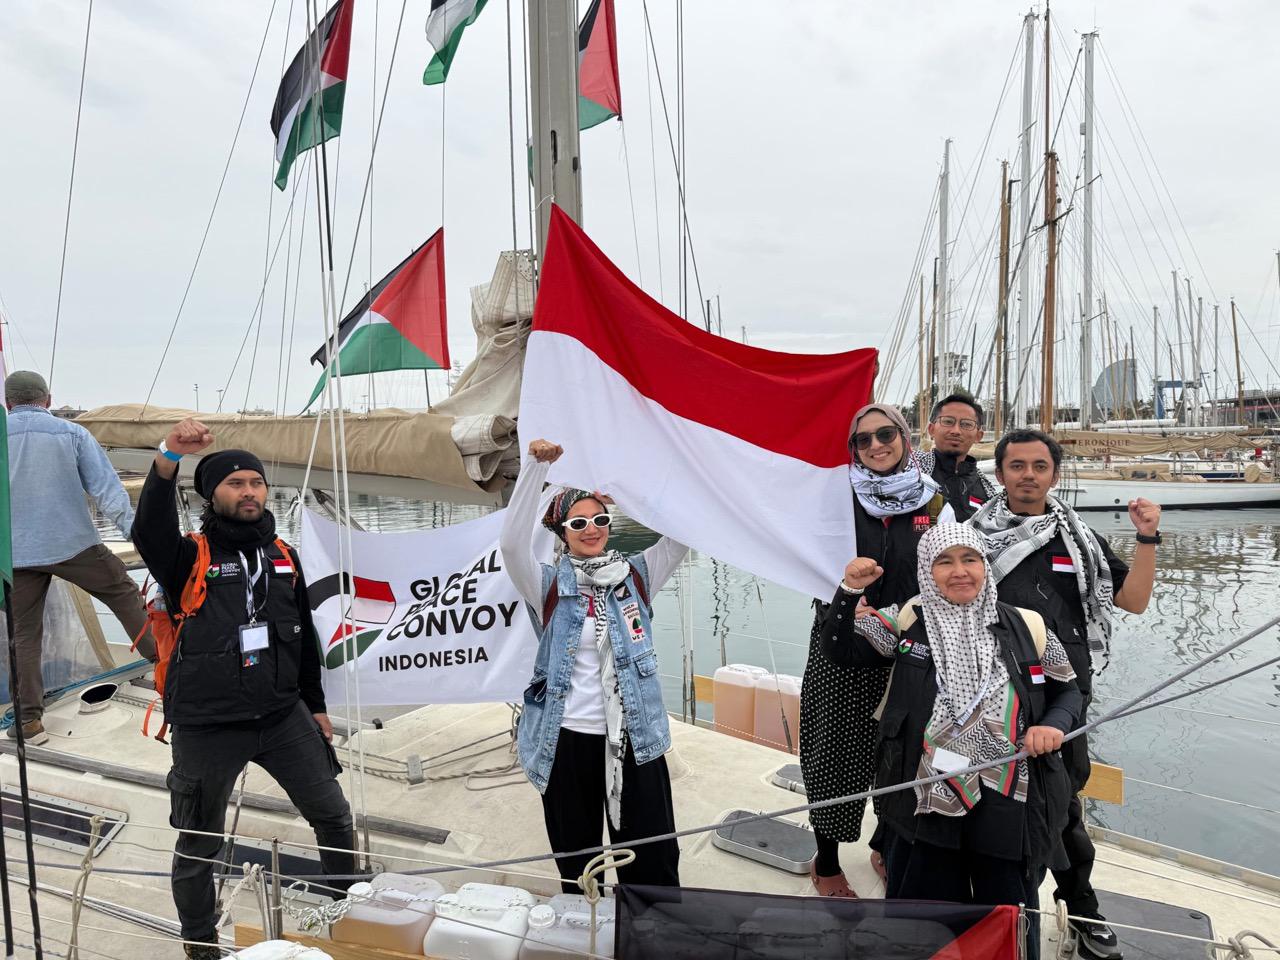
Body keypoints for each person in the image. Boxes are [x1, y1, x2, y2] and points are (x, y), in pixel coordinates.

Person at [131, 418, 354, 960]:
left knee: (333, 816)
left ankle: (346, 914)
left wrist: (316, 707)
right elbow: (149, 532)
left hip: (281, 716)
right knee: (199, 842)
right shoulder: (188, 557)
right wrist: (168, 458)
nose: (249, 491)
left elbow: (303, 638)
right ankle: (201, 944)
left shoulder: (283, 555)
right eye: (235, 484)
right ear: (212, 495)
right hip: (207, 726)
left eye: (256, 482)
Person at [820, 525, 1080, 959]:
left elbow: (1068, 690)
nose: (960, 571)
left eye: (970, 559)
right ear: (928, 569)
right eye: (945, 562)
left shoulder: (1027, 625)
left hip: (1007, 800)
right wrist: (848, 592)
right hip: (924, 798)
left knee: (1006, 921)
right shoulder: (907, 621)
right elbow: (840, 649)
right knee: (919, 923)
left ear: (985, 566)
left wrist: (1052, 724)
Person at [970, 428, 1159, 960]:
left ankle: (1081, 908)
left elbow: (1133, 601)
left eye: (1039, 466)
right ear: (1000, 473)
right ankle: (999, 907)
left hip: (1062, 695)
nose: (1028, 475)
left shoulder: (1080, 540)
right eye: (1017, 466)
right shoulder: (970, 538)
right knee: (985, 796)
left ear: (1054, 474)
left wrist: (1147, 538)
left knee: (1060, 801)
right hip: (989, 691)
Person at [500, 439, 687, 892]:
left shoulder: (637, 575)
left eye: (600, 520)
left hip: (635, 738)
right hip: (567, 741)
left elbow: (683, 533)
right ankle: (585, 925)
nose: (592, 529)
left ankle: (651, 927)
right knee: (578, 864)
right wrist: (534, 468)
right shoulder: (545, 584)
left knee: (654, 861)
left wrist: (638, 484)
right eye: (578, 522)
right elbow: (511, 544)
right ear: (562, 532)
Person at [799, 403, 954, 898]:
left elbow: (950, 565)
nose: (875, 446)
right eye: (862, 440)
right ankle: (826, 862)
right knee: (835, 753)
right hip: (844, 640)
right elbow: (801, 554)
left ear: (905, 438)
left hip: (911, 644)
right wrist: (842, 596)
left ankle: (885, 845)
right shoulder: (836, 500)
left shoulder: (934, 502)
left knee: (904, 755)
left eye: (885, 434)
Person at [5, 370, 155, 744]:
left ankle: (29, 722)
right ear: (48, 399)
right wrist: (140, 538)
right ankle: (171, 673)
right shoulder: (72, 434)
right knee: (124, 595)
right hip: (75, 545)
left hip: (17, 553)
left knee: (24, 634)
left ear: (7, 402)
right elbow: (107, 491)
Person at [917, 392, 997, 520]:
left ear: (979, 436)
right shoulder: (911, 475)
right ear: (931, 429)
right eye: (948, 422)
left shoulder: (988, 491)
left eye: (966, 424)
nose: (956, 431)